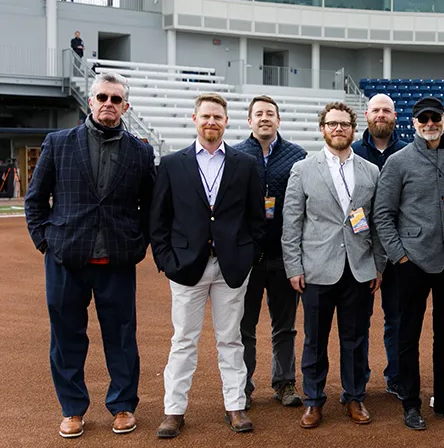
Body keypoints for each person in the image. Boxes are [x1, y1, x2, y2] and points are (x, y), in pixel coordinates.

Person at [25, 72, 154, 439]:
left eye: (116, 99)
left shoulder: (141, 151)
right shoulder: (58, 143)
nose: (108, 104)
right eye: (102, 97)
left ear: (125, 106)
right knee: (66, 337)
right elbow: (35, 200)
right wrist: (45, 243)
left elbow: (150, 206)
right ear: (90, 101)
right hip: (66, 258)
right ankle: (72, 409)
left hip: (117, 260)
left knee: (122, 336)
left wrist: (137, 243)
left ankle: (123, 405)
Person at [150, 93, 266, 439]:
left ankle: (235, 405)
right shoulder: (172, 163)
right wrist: (167, 262)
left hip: (230, 267)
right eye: (206, 117)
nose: (212, 122)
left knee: (231, 340)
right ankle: (174, 411)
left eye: (218, 117)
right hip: (187, 267)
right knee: (183, 340)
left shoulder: (244, 164)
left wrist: (248, 258)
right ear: (195, 119)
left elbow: (256, 221)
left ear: (226, 121)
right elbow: (159, 220)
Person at [372, 96, 444, 430]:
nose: (430, 124)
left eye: (435, 118)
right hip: (413, 263)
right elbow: (382, 215)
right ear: (414, 123)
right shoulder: (398, 161)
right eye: (424, 119)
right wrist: (400, 257)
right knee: (408, 336)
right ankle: (411, 403)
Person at [283, 102, 385, 428]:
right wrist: (293, 266)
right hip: (316, 269)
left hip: (358, 268)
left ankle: (354, 397)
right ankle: (313, 400)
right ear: (323, 128)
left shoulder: (371, 171)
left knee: (355, 339)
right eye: (332, 124)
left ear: (354, 129)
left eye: (344, 124)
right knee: (315, 339)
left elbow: (379, 222)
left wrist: (378, 265)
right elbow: (291, 222)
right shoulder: (303, 169)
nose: (338, 128)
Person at [236, 95, 307, 410]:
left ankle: (284, 383)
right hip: (247, 258)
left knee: (285, 325)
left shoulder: (297, 156)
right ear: (249, 120)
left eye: (270, 113)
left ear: (278, 120)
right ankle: (243, 385)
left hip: (283, 256)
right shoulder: (234, 155)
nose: (264, 118)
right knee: (244, 326)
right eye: (258, 114)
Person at [351, 93, 408, 400]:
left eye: (387, 110)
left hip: (398, 252)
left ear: (395, 115)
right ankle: (358, 379)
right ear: (367, 115)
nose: (381, 115)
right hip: (361, 250)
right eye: (376, 110)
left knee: (397, 318)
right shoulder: (353, 151)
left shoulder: (409, 152)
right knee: (359, 319)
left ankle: (396, 376)